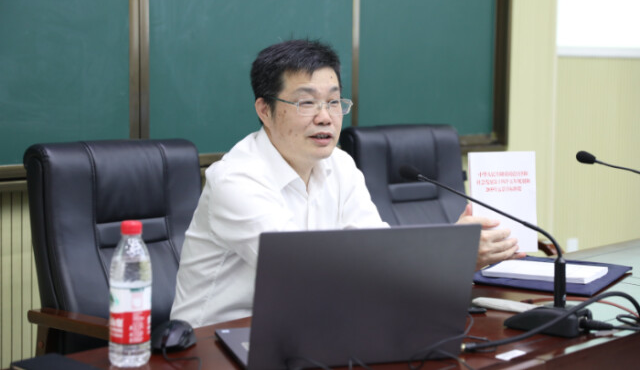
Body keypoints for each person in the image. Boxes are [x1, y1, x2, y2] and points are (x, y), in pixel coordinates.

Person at [171, 39, 523, 327]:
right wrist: (448, 257)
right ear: (265, 110)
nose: (325, 117)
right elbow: (304, 275)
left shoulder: (339, 165)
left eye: (334, 102)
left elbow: (377, 251)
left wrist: (453, 250)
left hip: (303, 327)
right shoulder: (236, 179)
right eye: (306, 102)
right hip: (214, 344)